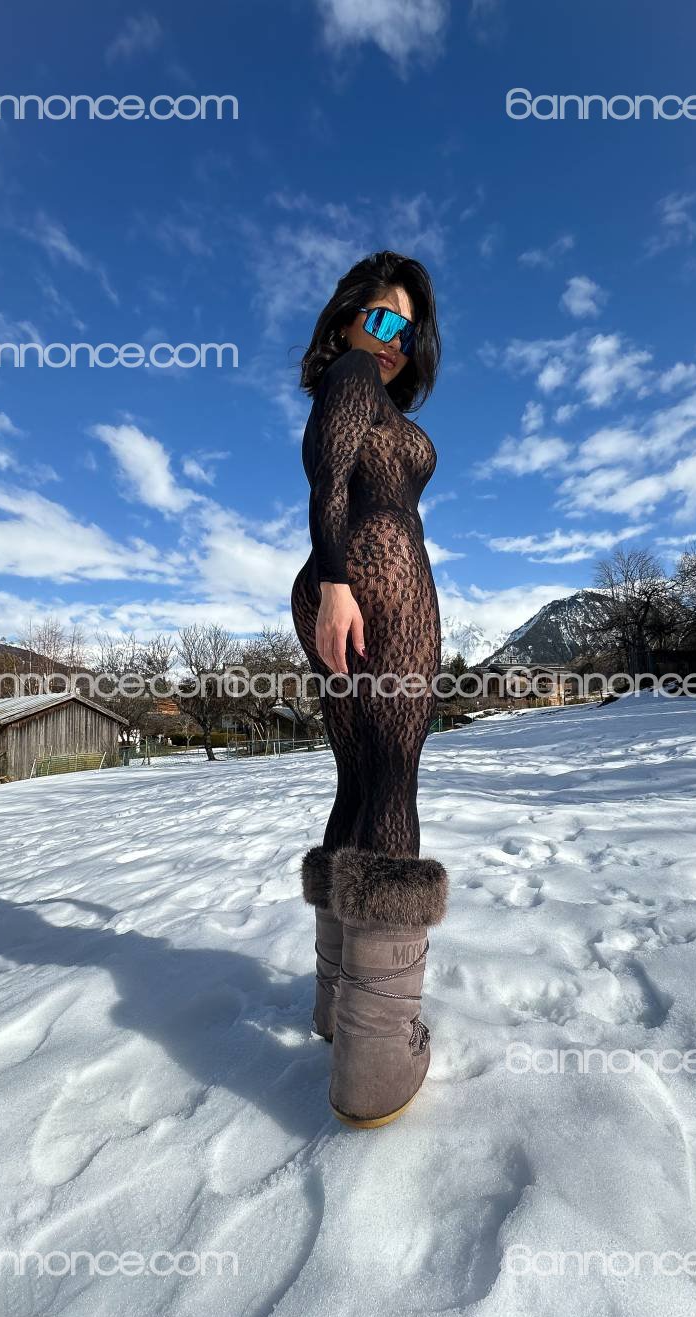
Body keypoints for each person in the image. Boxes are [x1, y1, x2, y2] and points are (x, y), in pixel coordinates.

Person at [290, 250, 448, 1129]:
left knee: (358, 779)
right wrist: (341, 581)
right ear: (349, 317)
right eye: (382, 318)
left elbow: (337, 472)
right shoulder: (351, 374)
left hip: (343, 574)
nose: (393, 340)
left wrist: (331, 580)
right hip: (372, 571)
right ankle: (378, 1055)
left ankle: (337, 1003)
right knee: (392, 778)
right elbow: (328, 471)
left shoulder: (368, 391)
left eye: (408, 330)